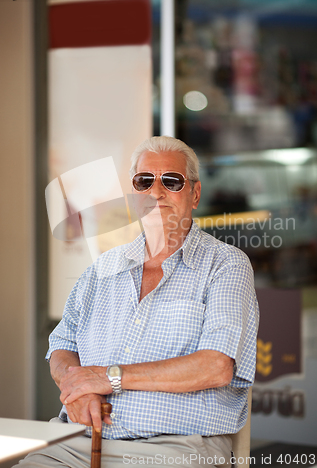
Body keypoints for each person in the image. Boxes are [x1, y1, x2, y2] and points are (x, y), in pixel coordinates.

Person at [16, 136, 259, 468]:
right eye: (144, 181)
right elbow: (61, 343)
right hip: (79, 441)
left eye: (171, 181)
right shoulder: (102, 269)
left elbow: (216, 367)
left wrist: (108, 377)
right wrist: (79, 386)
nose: (155, 193)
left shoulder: (225, 265)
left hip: (174, 447)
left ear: (195, 194)